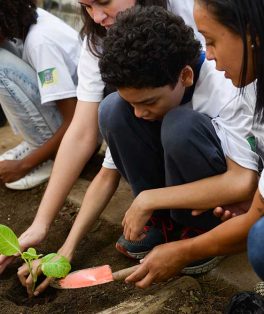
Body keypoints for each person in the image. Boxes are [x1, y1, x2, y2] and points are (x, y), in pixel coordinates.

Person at [0, 0, 205, 296]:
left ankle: (196, 227)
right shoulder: (100, 38)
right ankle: (166, 220)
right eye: (86, 5)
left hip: (207, 142)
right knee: (112, 110)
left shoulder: (193, 17)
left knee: (178, 126)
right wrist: (47, 232)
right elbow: (84, 134)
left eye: (104, 2)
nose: (96, 16)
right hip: (175, 133)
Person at [119, 0, 264, 288]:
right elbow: (246, 186)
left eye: (211, 41)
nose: (208, 55)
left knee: (260, 240)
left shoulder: (225, 89)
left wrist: (182, 252)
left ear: (251, 35)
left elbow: (253, 214)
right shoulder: (249, 88)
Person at [0, 0, 80, 190]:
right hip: (67, 119)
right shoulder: (27, 19)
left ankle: (51, 156)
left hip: (78, 133)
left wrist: (24, 165)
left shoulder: (40, 44)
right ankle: (36, 141)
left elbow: (74, 119)